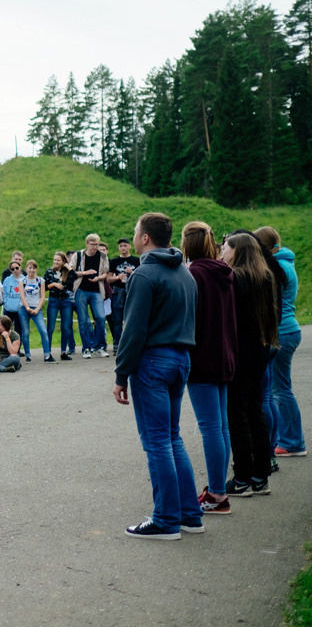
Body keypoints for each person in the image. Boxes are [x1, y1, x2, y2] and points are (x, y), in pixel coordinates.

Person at [112, 212, 202, 540]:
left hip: (153, 362)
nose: (133, 237)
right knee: (172, 437)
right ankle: (190, 515)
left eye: (136, 232)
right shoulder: (185, 273)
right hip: (181, 359)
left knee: (157, 442)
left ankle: (165, 519)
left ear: (145, 238)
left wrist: (121, 374)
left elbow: (133, 330)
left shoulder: (145, 274)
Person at [180, 221, 236, 515]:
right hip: (224, 355)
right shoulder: (224, 272)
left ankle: (217, 493)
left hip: (202, 358)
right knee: (221, 427)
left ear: (188, 244)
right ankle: (219, 488)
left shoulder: (194, 275)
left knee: (211, 427)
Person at [221, 231, 279, 498]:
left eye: (226, 247)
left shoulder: (235, 278)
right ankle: (261, 475)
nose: (222, 250)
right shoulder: (265, 276)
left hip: (240, 352)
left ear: (238, 250)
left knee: (237, 415)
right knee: (255, 411)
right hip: (261, 348)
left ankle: (242, 477)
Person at [254, 226, 303, 459]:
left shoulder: (277, 267)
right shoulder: (286, 262)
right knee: (281, 388)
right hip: (289, 329)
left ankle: (292, 441)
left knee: (279, 390)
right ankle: (290, 439)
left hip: (281, 332)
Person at [73, 234, 110, 358]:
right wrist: (85, 273)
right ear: (87, 244)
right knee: (83, 320)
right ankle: (86, 348)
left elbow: (105, 273)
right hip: (81, 290)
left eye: (97, 244)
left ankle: (101, 346)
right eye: (92, 244)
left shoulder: (103, 256)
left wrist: (98, 278)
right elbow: (71, 272)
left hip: (97, 291)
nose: (95, 247)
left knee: (100, 317)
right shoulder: (78, 255)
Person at [108, 238, 140, 347]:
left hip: (132, 292)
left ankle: (130, 344)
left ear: (130, 246)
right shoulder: (114, 261)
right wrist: (117, 277)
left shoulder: (137, 261)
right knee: (117, 320)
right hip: (118, 293)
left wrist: (133, 272)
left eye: (125, 245)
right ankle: (118, 344)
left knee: (131, 320)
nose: (123, 248)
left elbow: (142, 276)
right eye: (121, 246)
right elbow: (108, 279)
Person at [44, 252, 76, 360]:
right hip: (53, 301)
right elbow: (44, 287)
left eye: (58, 260)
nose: (55, 262)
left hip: (66, 301)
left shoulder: (66, 272)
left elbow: (75, 276)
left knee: (66, 327)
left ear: (63, 261)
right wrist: (54, 284)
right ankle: (47, 353)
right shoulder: (49, 272)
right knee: (51, 327)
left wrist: (68, 267)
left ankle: (63, 352)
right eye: (54, 260)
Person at [18, 261, 48, 363]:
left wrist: (37, 309)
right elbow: (22, 296)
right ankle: (28, 355)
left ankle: (47, 355)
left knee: (43, 331)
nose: (31, 270)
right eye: (29, 268)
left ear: (36, 269)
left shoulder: (40, 280)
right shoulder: (22, 280)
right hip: (24, 308)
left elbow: (43, 296)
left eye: (33, 268)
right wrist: (27, 308)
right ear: (26, 268)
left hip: (36, 307)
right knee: (25, 332)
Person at [2, 260, 25, 346]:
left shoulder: (24, 279)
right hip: (8, 309)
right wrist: (6, 302)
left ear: (20, 268)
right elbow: (4, 292)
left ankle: (17, 349)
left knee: (19, 330)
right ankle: (4, 348)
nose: (15, 270)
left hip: (20, 309)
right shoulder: (7, 280)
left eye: (16, 268)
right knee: (5, 329)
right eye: (12, 269)